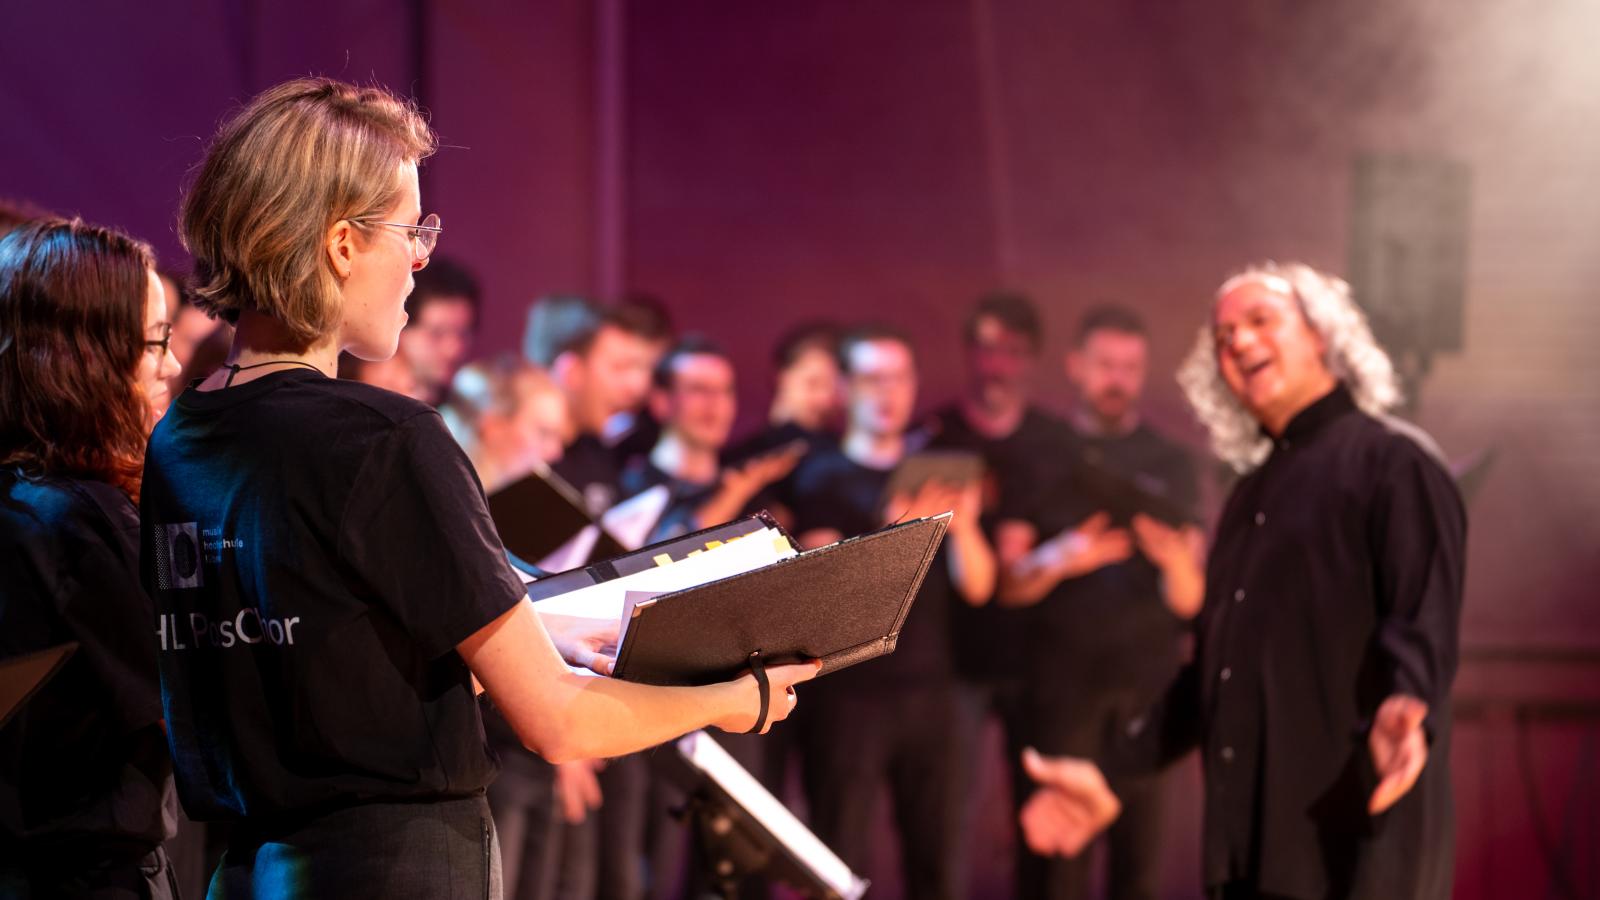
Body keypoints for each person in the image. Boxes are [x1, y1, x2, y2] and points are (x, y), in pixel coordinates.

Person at [142, 76, 816, 898]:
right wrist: (730, 699)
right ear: (342, 243)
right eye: (409, 227)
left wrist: (536, 630)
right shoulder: (387, 438)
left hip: (243, 872)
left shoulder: (179, 436)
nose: (423, 253)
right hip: (400, 870)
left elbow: (327, 655)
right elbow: (559, 723)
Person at [1019, 263, 1466, 900]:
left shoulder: (1396, 463)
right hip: (1251, 855)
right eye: (1223, 336)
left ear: (1320, 336)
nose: (1239, 343)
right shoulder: (1248, 496)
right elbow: (1213, 676)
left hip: (1355, 846)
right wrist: (1110, 774)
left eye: (1261, 320)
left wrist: (1407, 704)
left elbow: (1426, 618)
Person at [994, 303, 1204, 900]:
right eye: (1106, 365)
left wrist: (1175, 561)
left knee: (1139, 866)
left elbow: (1192, 601)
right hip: (1058, 691)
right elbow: (1008, 585)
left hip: (1147, 692)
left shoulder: (1172, 465)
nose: (1117, 379)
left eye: (1130, 367)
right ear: (1076, 367)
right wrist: (1058, 558)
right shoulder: (1038, 455)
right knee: (1054, 867)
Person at [0, 218, 182, 897]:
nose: (172, 365)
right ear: (85, 358)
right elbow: (192, 713)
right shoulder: (80, 521)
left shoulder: (26, 504)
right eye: (155, 343)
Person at [785, 324, 995, 900]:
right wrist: (898, 532)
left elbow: (979, 587)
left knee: (940, 860)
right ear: (847, 388)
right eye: (873, 379)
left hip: (937, 692)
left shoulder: (939, 469)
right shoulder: (822, 476)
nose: (888, 392)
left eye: (899, 378)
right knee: (840, 858)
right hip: (851, 693)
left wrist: (967, 525)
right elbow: (824, 586)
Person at [397, 255, 480, 406]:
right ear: (400, 326)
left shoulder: (468, 412)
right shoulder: (360, 399)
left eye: (463, 334)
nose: (454, 349)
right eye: (437, 333)